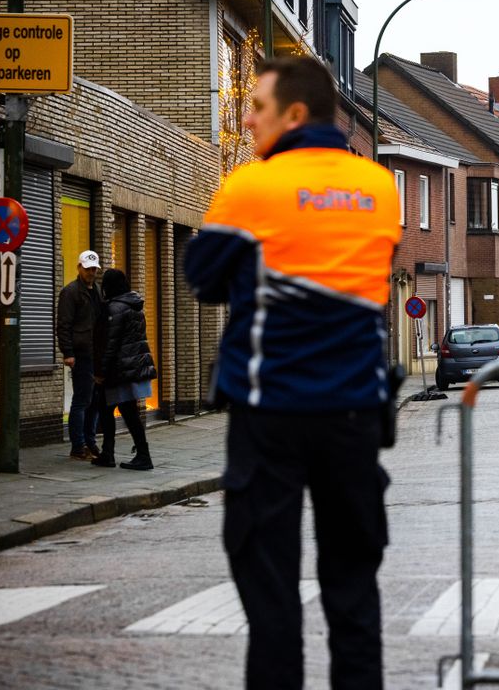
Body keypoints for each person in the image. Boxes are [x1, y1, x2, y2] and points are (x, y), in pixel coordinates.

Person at [184, 55, 401, 690]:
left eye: (257, 106)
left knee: (272, 601)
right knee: (354, 594)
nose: (247, 117)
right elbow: (369, 273)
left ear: (294, 114)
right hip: (356, 413)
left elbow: (202, 278)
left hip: (269, 414)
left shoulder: (252, 187)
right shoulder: (380, 189)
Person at [91, 269, 156, 470]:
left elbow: (109, 344)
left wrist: (100, 371)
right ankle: (108, 453)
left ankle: (141, 455)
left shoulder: (114, 309)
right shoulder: (135, 306)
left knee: (123, 410)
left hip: (119, 369)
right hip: (131, 366)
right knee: (110, 407)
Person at [57, 250, 103, 461]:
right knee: (82, 399)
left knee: (94, 400)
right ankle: (78, 446)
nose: (91, 272)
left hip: (96, 353)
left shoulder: (98, 291)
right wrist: (68, 352)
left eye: (94, 269)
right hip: (81, 353)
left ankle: (90, 442)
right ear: (79, 268)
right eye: (87, 269)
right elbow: (64, 324)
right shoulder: (71, 292)